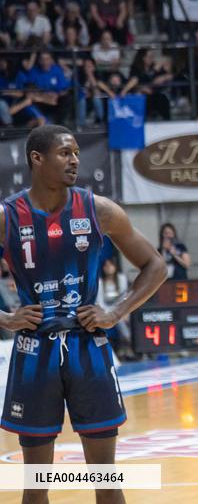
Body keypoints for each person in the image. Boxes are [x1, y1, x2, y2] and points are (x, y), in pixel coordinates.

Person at [0, 125, 167, 503]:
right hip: (34, 351)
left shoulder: (99, 210)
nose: (75, 159)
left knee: (107, 480)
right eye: (65, 152)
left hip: (87, 347)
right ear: (36, 159)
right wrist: (5, 319)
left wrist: (115, 312)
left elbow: (156, 265)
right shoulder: (7, 215)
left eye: (76, 152)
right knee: (36, 484)